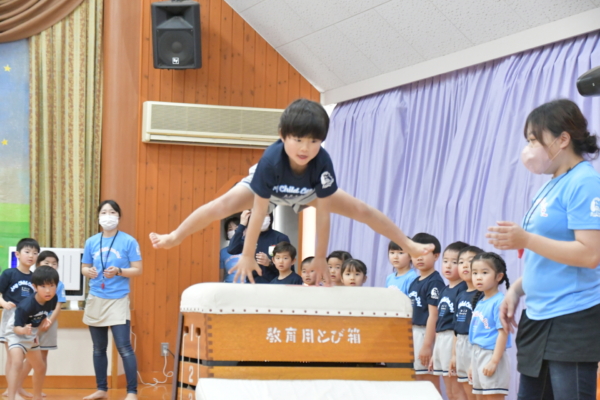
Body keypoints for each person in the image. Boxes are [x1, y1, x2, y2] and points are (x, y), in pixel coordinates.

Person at [149, 99, 434, 284]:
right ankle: (175, 235)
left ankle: (407, 243)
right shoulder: (271, 160)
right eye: (298, 140)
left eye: (313, 141)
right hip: (270, 187)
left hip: (307, 190)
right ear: (283, 136)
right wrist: (247, 255)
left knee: (362, 210)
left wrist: (320, 257)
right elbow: (259, 211)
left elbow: (324, 214)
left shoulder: (322, 162)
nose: (305, 148)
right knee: (220, 206)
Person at [487, 99, 600, 399]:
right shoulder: (551, 184)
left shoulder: (585, 182)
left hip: (572, 317)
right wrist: (515, 291)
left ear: (563, 139)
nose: (529, 148)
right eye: (528, 141)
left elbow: (590, 255)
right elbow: (547, 259)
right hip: (538, 317)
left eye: (534, 140)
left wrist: (525, 239)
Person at [81, 200, 142, 400]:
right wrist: (88, 272)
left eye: (113, 212)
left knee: (124, 347)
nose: (108, 216)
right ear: (99, 216)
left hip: (118, 299)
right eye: (104, 212)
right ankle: (102, 390)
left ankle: (132, 392)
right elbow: (84, 267)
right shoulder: (91, 241)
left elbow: (138, 269)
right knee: (98, 348)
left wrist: (119, 271)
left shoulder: (129, 241)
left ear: (119, 216)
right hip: (96, 297)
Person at [17, 251, 67, 397]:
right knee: (28, 357)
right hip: (31, 324)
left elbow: (58, 306)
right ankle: (16, 386)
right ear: (38, 264)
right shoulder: (34, 282)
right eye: (47, 262)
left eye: (54, 263)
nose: (51, 265)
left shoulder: (58, 285)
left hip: (48, 322)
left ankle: (36, 392)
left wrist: (49, 321)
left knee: (41, 359)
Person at [5, 266, 58, 400]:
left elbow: (42, 315)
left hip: (30, 332)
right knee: (17, 362)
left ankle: (37, 397)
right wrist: (24, 330)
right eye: (43, 286)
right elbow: (16, 328)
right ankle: (11, 397)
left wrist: (43, 323)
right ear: (35, 287)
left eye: (52, 286)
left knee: (40, 367)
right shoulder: (26, 306)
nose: (48, 290)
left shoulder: (53, 299)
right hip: (16, 331)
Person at [468, 253, 511, 399]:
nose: (478, 277)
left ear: (499, 276)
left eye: (484, 272)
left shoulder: (500, 302)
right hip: (477, 355)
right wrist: (472, 364)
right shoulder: (480, 302)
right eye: (475, 273)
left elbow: (503, 333)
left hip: (491, 355)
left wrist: (494, 361)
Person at [0, 238, 39, 398]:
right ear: (17, 254)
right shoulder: (9, 273)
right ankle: (12, 391)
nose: (31, 256)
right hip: (10, 317)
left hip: (28, 320)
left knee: (23, 357)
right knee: (12, 358)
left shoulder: (35, 277)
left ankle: (16, 388)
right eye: (27, 252)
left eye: (35, 253)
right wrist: (4, 303)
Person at [407, 233, 445, 393]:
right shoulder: (415, 282)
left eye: (424, 253)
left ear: (436, 256)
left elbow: (433, 315)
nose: (419, 258)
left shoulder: (434, 282)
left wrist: (427, 346)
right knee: (417, 382)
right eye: (415, 254)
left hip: (426, 335)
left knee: (428, 384)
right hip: (414, 334)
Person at [432, 242, 469, 400]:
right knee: (450, 392)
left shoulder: (463, 289)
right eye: (445, 261)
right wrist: (436, 350)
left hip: (453, 340)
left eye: (454, 262)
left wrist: (454, 351)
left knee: (458, 391)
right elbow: (439, 320)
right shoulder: (444, 290)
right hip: (441, 340)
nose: (448, 265)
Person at [450, 246, 483, 400]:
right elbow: (456, 329)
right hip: (461, 346)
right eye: (461, 261)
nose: (464, 265)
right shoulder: (461, 295)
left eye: (470, 261)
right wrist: (454, 355)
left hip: (475, 346)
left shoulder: (483, 295)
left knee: (478, 394)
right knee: (468, 394)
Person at [227, 210, 289, 283]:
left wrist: (270, 263)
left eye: (265, 214)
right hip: (253, 284)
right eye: (257, 215)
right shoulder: (249, 238)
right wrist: (242, 224)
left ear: (270, 216)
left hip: (273, 284)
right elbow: (232, 249)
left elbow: (288, 267)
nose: (261, 218)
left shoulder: (280, 238)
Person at [219, 214, 243, 283]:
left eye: (237, 229)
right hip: (229, 286)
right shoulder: (223, 252)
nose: (234, 231)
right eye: (230, 229)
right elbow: (220, 278)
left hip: (246, 286)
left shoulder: (249, 249)